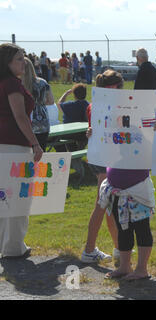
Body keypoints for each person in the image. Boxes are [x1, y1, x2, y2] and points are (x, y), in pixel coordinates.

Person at [88, 70, 156, 281]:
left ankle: (141, 269)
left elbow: (150, 142)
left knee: (141, 227)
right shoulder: (104, 116)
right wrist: (92, 135)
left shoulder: (139, 118)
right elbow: (102, 142)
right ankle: (125, 266)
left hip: (137, 184)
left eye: (119, 87)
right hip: (116, 182)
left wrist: (155, 129)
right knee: (123, 228)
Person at [0, 43, 43, 258]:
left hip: (3, 146)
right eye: (18, 58)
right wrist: (35, 143)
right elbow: (20, 116)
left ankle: (5, 244)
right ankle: (14, 246)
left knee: (3, 197)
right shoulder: (12, 85)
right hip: (15, 146)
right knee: (19, 197)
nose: (23, 62)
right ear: (7, 62)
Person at [81, 70, 122, 264]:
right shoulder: (99, 105)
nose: (114, 89)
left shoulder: (95, 105)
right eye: (111, 86)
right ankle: (89, 249)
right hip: (103, 157)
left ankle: (118, 248)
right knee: (102, 203)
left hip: (105, 156)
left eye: (116, 86)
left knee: (109, 204)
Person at [22, 57, 55, 151]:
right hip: (43, 122)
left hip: (27, 123)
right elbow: (51, 101)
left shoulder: (19, 84)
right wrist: (39, 102)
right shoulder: (43, 82)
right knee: (41, 153)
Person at [56, 83, 89, 151]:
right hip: (83, 134)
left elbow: (59, 104)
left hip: (69, 134)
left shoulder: (70, 105)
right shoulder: (87, 105)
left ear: (74, 95)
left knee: (58, 138)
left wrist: (66, 93)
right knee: (80, 143)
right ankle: (77, 155)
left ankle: (74, 156)